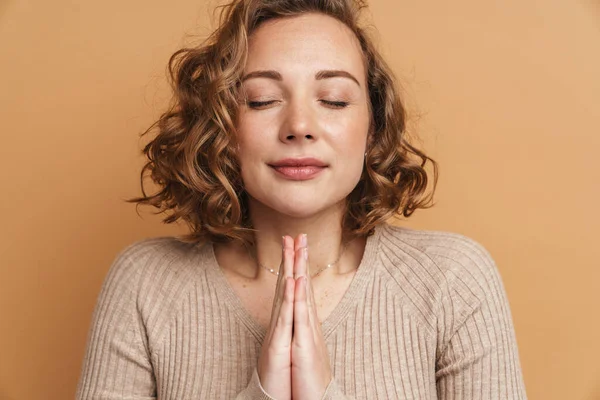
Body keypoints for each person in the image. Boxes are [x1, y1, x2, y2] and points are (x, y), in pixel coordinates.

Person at [76, 0, 528, 398]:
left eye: (332, 100)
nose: (299, 125)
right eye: (261, 100)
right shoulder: (145, 285)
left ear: (372, 129)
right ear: (223, 130)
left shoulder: (452, 282)